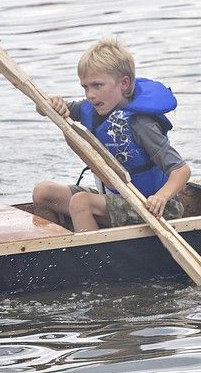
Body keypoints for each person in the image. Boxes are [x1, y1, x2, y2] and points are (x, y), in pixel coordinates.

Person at [32, 37, 191, 232]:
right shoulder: (90, 109)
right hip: (119, 198)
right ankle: (60, 246)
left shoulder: (140, 124)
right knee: (43, 192)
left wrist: (161, 197)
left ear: (124, 83)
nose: (90, 94)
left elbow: (181, 171)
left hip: (154, 207)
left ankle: (90, 257)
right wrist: (50, 104)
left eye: (97, 85)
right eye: (85, 87)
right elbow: (45, 108)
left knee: (81, 202)